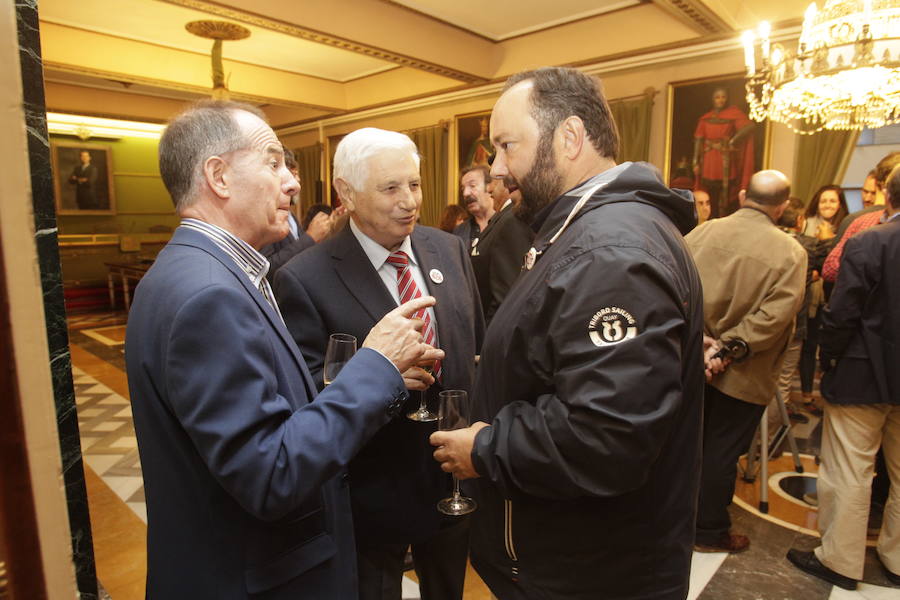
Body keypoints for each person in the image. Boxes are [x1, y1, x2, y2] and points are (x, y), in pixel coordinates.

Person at [125, 101, 442, 600]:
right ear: (219, 176)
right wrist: (375, 365)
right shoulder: (211, 295)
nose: (293, 182)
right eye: (273, 162)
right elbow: (272, 474)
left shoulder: (195, 271)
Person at [431, 66, 705, 600]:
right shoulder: (583, 231)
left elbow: (607, 435)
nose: (499, 169)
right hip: (573, 555)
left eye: (507, 146)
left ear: (570, 138)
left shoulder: (610, 253)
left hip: (588, 572)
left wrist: (485, 448)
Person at [274, 127, 483, 600]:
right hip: (371, 492)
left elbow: (474, 344)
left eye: (414, 184)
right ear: (345, 193)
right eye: (390, 188)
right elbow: (306, 390)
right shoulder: (304, 278)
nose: (409, 200)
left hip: (453, 478)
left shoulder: (447, 249)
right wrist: (380, 375)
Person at [786, 163, 900, 591]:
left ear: (888, 198)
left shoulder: (870, 241)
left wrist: (827, 360)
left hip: (862, 372)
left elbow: (844, 312)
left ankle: (841, 561)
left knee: (851, 469)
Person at [686, 170, 807, 553]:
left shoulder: (702, 233)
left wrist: (701, 343)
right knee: (722, 451)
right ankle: (707, 530)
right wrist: (726, 349)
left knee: (687, 445)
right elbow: (773, 318)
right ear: (783, 207)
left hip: (690, 360)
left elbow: (673, 285)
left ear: (742, 196)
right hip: (744, 371)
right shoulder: (791, 253)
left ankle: (675, 517)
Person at [467, 170, 534, 325]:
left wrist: (490, 341)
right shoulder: (503, 218)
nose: (490, 189)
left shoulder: (512, 219)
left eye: (494, 182)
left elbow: (507, 295)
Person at [692, 87, 755, 218]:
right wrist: (695, 161)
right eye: (717, 97)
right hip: (709, 160)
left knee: (725, 192)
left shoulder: (733, 113)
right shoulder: (705, 118)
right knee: (710, 191)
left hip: (724, 159)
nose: (720, 100)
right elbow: (699, 139)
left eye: (723, 97)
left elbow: (749, 126)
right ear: (712, 99)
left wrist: (733, 141)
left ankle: (723, 216)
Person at [260, 147, 316, 282]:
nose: (297, 181)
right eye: (294, 174)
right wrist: (310, 237)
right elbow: (266, 268)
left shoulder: (291, 216)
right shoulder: (265, 217)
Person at [453, 165, 495, 252]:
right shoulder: (459, 232)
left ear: (490, 187)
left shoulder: (507, 223)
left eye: (472, 186)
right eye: (463, 188)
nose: (465, 193)